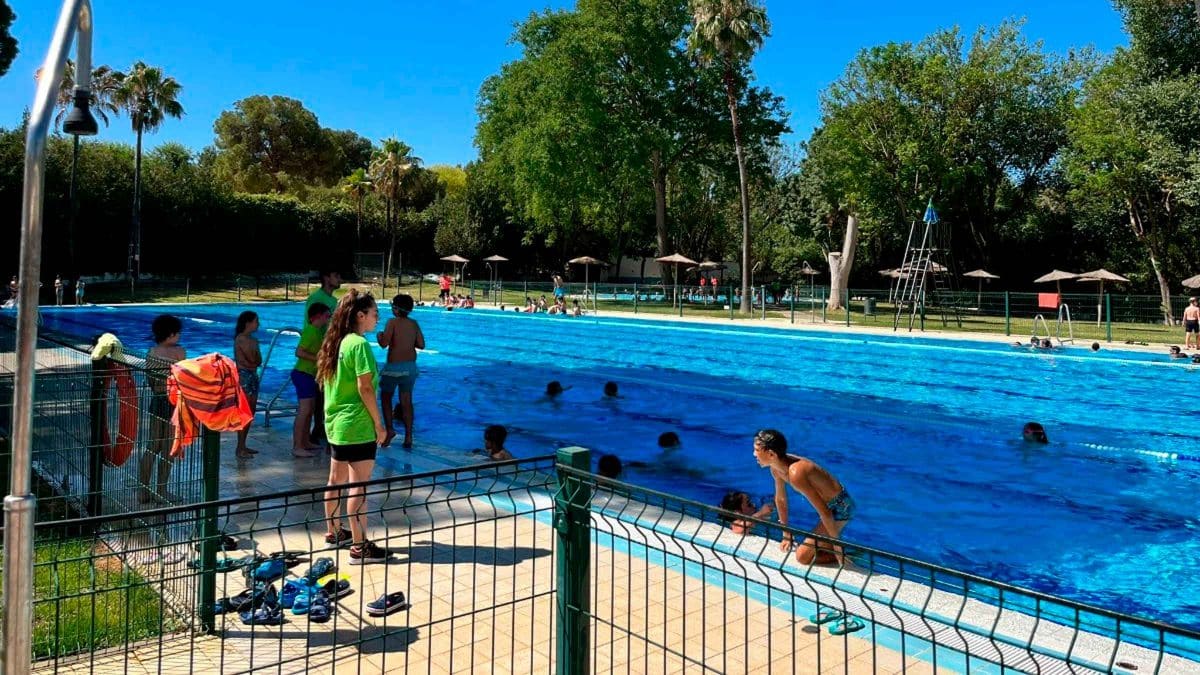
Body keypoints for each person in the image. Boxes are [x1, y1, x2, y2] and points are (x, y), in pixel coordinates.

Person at [316, 289, 389, 563]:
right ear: (360, 315)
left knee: (335, 480)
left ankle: (334, 532)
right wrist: (379, 424)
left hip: (335, 424)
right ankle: (359, 547)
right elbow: (365, 387)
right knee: (359, 485)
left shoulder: (336, 342)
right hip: (356, 426)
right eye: (374, 314)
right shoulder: (358, 345)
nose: (377, 319)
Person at [752, 429, 853, 566]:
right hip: (829, 508)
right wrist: (786, 534)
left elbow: (825, 512)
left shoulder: (796, 473)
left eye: (757, 450)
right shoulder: (775, 468)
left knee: (802, 557)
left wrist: (837, 547)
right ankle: (828, 545)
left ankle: (847, 555)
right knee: (810, 550)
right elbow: (781, 500)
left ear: (771, 454)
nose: (754, 454)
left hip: (840, 507)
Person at [140, 315, 186, 504]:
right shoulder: (179, 353)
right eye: (178, 333)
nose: (180, 336)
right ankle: (161, 491)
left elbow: (151, 381)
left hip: (157, 401)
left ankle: (142, 490)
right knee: (168, 448)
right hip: (173, 403)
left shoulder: (151, 352)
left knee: (153, 446)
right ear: (171, 334)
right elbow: (184, 379)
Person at [378, 294, 425, 448]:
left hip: (393, 368)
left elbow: (384, 344)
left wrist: (380, 336)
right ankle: (409, 436)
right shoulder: (414, 324)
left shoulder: (392, 322)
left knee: (386, 398)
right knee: (407, 401)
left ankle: (390, 430)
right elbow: (421, 345)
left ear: (396, 309)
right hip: (410, 368)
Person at [291, 302, 331, 458]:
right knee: (304, 411)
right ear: (318, 316)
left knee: (310, 410)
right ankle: (297, 446)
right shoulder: (310, 331)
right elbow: (299, 352)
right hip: (303, 374)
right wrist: (318, 360)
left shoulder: (318, 332)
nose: (328, 319)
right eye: (327, 316)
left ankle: (305, 441)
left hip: (309, 375)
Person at [307, 269, 341, 446]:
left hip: (330, 351)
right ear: (326, 277)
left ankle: (323, 428)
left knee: (328, 392)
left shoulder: (334, 301)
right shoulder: (316, 298)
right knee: (318, 393)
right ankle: (318, 427)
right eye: (336, 275)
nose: (339, 279)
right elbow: (310, 325)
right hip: (320, 353)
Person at [233, 311, 262, 459]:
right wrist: (253, 360)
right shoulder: (241, 339)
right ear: (248, 323)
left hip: (252, 376)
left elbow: (258, 361)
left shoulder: (253, 340)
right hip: (244, 376)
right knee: (244, 412)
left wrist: (253, 360)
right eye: (256, 321)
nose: (258, 324)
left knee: (251, 412)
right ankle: (240, 447)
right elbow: (249, 360)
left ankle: (243, 444)